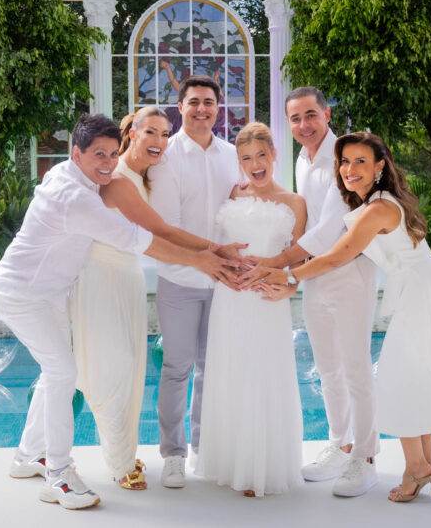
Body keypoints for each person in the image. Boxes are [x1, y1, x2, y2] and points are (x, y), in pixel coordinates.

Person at [0, 113, 237, 510]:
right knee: (62, 373)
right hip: (22, 295)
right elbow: (142, 240)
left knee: (54, 373)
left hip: (52, 294)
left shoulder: (71, 176)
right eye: (98, 155)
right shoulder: (75, 198)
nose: (107, 163)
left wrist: (208, 252)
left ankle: (27, 456)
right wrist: (202, 260)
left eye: (111, 153)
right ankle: (58, 476)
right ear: (76, 154)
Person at [242, 131, 431, 503]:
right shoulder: (376, 201)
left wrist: (288, 275)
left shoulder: (377, 209)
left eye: (361, 161)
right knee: (418, 375)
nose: (349, 169)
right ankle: (425, 464)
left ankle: (415, 468)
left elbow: (337, 255)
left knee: (400, 378)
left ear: (380, 167)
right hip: (423, 289)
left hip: (421, 293)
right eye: (344, 162)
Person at [70, 107, 244, 492]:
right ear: (131, 132)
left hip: (126, 278)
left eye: (165, 134)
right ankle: (120, 463)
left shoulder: (147, 174)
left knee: (129, 368)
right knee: (112, 368)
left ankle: (110, 453)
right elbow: (159, 232)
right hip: (104, 278)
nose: (160, 141)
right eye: (151, 132)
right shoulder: (118, 180)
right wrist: (212, 253)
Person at [245, 87, 379, 497]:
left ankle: (366, 458)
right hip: (317, 273)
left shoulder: (343, 158)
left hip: (350, 270)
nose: (303, 125)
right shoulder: (302, 160)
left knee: (356, 366)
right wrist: (294, 271)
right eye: (295, 118)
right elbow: (305, 222)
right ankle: (341, 444)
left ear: (326, 114)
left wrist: (279, 264)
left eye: (310, 115)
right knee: (328, 366)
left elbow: (330, 228)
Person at [195, 122, 306, 498]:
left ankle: (261, 467)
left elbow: (299, 258)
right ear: (239, 163)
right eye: (246, 158)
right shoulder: (233, 193)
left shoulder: (294, 202)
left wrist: (283, 281)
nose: (255, 164)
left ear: (274, 154)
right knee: (231, 371)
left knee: (263, 373)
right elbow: (220, 246)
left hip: (265, 300)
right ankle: (230, 462)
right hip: (230, 299)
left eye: (261, 155)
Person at [148, 75, 241, 488]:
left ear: (217, 108)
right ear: (180, 107)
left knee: (212, 368)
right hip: (179, 279)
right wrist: (207, 258)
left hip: (224, 283)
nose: (201, 109)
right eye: (194, 102)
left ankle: (205, 448)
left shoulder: (232, 155)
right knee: (177, 367)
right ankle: (173, 453)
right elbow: (167, 226)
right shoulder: (166, 157)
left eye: (208, 102)